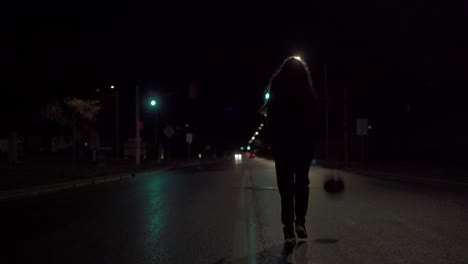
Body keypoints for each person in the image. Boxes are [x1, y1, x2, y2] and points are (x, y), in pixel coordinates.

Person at [262, 56, 319, 241]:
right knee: (302, 182)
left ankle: (288, 227)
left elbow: (271, 120)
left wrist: (274, 141)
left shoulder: (277, 88)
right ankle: (300, 221)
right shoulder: (307, 91)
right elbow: (315, 119)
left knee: (286, 187)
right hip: (303, 144)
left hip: (283, 145)